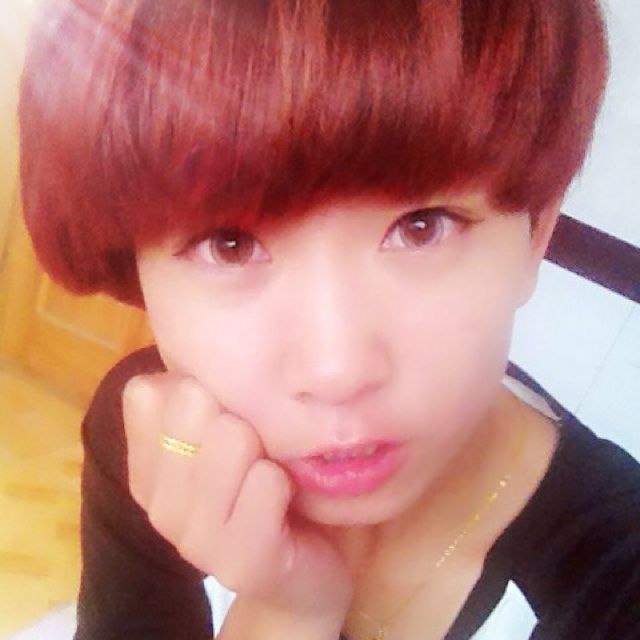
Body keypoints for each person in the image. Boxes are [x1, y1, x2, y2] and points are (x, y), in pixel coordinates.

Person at [17, 1, 640, 639]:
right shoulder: (155, 440)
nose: (336, 371)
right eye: (230, 244)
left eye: (422, 227)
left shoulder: (615, 586)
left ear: (535, 236)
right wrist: (287, 611)